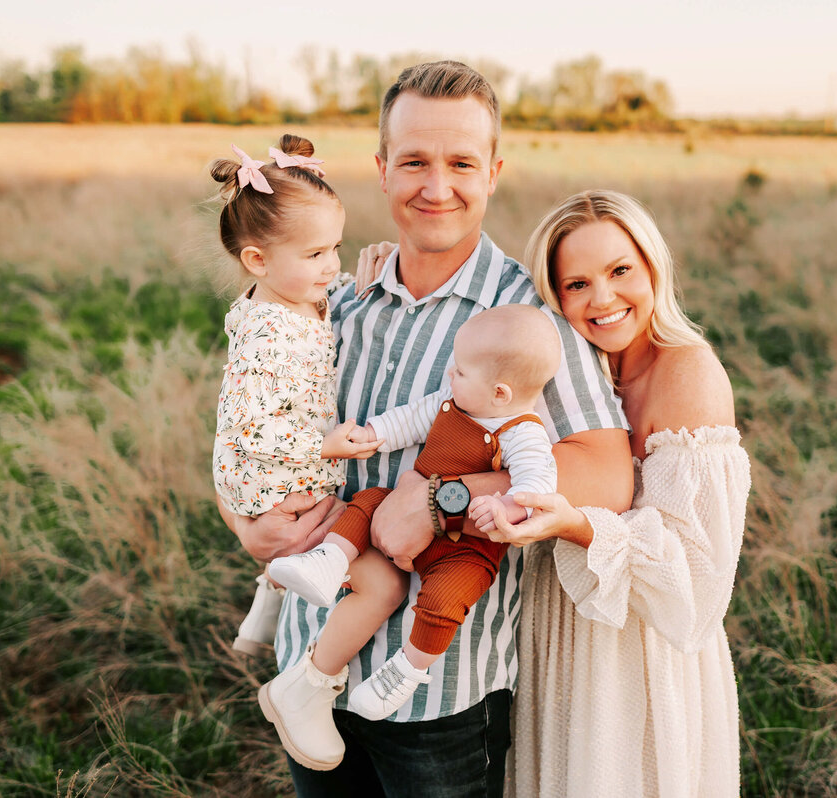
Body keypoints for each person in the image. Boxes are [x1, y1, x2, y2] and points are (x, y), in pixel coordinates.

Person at [215, 61, 633, 797]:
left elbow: (608, 470)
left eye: (461, 163)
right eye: (414, 162)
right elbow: (256, 422)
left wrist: (446, 496)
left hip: (441, 691)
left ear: (494, 172)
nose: (436, 187)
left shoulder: (527, 317)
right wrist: (244, 524)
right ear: (381, 170)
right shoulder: (339, 297)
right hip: (312, 659)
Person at [486, 190, 751, 798]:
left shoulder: (686, 373)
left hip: (640, 657)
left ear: (652, 267)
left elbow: (698, 581)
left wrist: (577, 524)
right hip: (557, 635)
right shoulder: (566, 368)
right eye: (576, 284)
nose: (602, 299)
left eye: (619, 271)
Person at [260, 305, 561, 770]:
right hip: (397, 518)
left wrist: (505, 505)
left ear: (501, 392)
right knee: (368, 502)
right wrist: (373, 433)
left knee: (446, 599)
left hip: (464, 548)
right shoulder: (454, 403)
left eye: (459, 370)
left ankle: (406, 671)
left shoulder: (522, 434)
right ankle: (328, 561)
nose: (450, 373)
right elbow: (413, 419)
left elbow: (539, 485)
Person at [208, 135, 385, 656]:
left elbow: (327, 296)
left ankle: (266, 603)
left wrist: (358, 280)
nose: (331, 266)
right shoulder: (269, 332)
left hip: (277, 468)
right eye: (315, 253)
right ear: (258, 260)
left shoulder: (295, 295)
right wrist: (324, 446)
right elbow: (250, 427)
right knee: (350, 532)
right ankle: (314, 663)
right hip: (275, 474)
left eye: (335, 247)